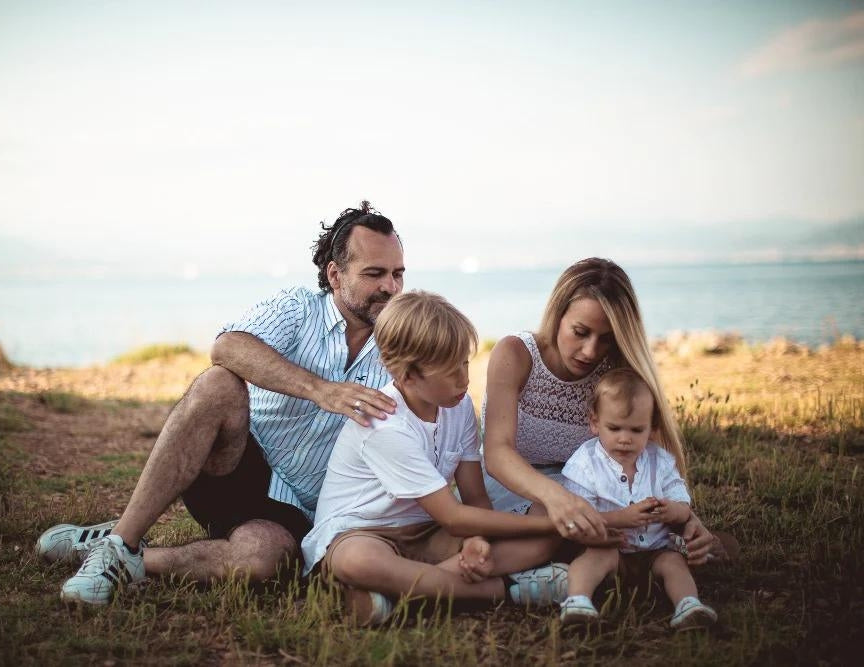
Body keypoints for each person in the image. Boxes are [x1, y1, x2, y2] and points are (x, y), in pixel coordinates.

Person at [35, 201, 406, 605]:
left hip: (300, 509)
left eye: (397, 274)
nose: (390, 287)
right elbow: (228, 346)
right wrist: (322, 390)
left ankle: (121, 556)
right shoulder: (299, 308)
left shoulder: (403, 341)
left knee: (264, 561)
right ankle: (123, 540)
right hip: (236, 461)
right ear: (335, 275)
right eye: (374, 274)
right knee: (218, 385)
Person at [302, 291, 590, 626]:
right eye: (449, 371)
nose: (464, 379)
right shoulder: (384, 425)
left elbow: (475, 496)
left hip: (427, 531)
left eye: (465, 363)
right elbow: (453, 516)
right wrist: (555, 523)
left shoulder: (460, 406)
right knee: (357, 563)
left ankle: (396, 594)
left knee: (538, 543)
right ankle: (505, 589)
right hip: (362, 532)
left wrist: (478, 542)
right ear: (407, 376)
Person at [481, 258, 729, 564]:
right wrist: (560, 498)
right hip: (518, 485)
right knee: (561, 526)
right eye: (580, 332)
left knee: (619, 529)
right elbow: (496, 453)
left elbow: (649, 458)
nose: (591, 351)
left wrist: (686, 519)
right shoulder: (516, 354)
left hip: (592, 490)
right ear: (558, 315)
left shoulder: (617, 373)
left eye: (607, 338)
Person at [558, 368, 717, 629]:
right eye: (614, 428)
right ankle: (577, 603)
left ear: (652, 428)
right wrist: (621, 519)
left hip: (655, 552)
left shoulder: (660, 461)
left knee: (674, 562)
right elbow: (579, 519)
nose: (624, 438)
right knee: (592, 560)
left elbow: (682, 503)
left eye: (636, 430)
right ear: (594, 422)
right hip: (612, 551)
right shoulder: (585, 464)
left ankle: (688, 606)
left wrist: (672, 511)